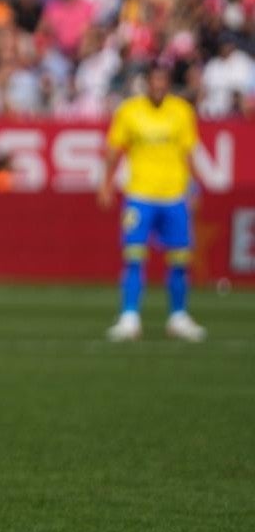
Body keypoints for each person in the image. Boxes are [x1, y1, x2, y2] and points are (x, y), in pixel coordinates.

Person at [100, 64, 206, 342]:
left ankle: (178, 316)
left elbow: (189, 151)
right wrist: (106, 184)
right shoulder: (129, 111)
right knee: (134, 256)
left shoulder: (182, 111)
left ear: (168, 84)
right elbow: (114, 150)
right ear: (146, 84)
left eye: (163, 82)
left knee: (180, 259)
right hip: (140, 195)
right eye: (154, 82)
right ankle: (130, 317)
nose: (158, 87)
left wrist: (194, 187)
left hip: (174, 194)